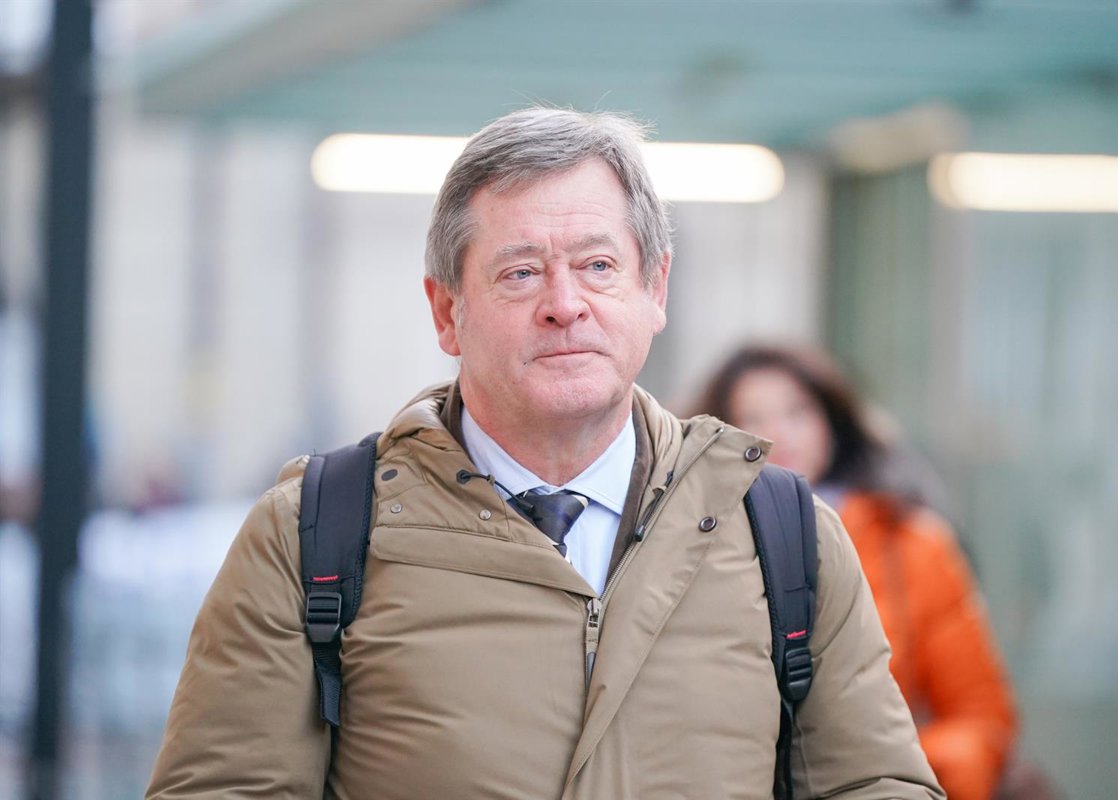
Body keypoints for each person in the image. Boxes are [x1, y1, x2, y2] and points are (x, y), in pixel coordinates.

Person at [145, 108, 943, 799]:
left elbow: (873, 784)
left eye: (598, 266)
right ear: (447, 311)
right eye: (521, 273)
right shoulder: (310, 540)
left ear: (654, 289)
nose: (565, 305)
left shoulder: (785, 535)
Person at [693, 344, 1018, 800]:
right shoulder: (690, 545)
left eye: (797, 412)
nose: (779, 433)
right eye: (754, 417)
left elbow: (979, 718)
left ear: (831, 421)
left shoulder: (912, 545)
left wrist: (890, 773)